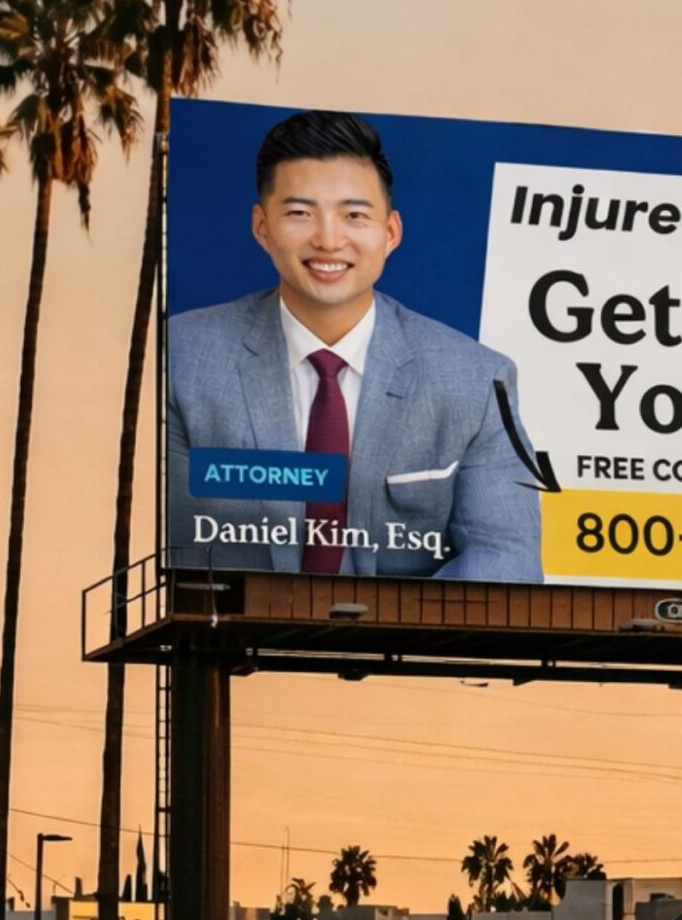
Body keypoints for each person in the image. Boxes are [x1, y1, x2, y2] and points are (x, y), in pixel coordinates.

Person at [166, 110, 545, 582]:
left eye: (355, 215)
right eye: (300, 213)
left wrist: (377, 642)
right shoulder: (181, 358)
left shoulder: (476, 380)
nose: (328, 239)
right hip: (228, 650)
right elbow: (171, 546)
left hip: (399, 652)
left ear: (390, 233)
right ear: (262, 227)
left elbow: (505, 558)